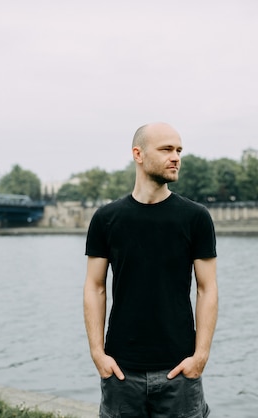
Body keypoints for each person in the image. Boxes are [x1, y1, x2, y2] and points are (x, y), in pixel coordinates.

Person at [83, 122, 218, 417]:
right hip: (121, 371)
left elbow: (207, 289)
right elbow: (95, 287)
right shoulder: (106, 218)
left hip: (180, 369)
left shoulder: (196, 218)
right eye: (167, 149)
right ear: (138, 154)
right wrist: (97, 353)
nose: (176, 157)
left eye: (179, 150)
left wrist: (200, 356)